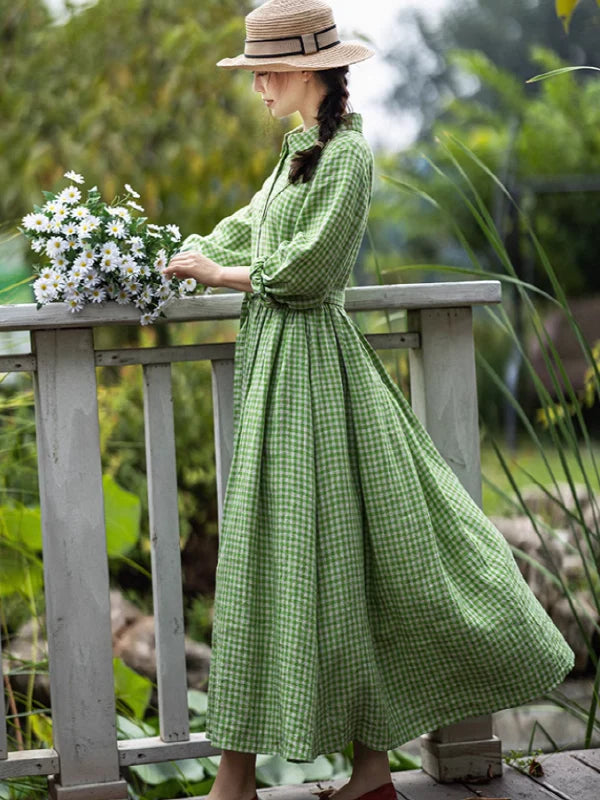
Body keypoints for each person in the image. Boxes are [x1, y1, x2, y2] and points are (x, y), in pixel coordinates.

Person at [162, 1, 575, 799]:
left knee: (328, 556)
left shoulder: (347, 156)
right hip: (280, 373)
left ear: (310, 68)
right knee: (285, 557)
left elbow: (310, 271)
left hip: (317, 373)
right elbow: (248, 228)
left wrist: (220, 277)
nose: (259, 89)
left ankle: (287, 776)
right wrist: (188, 253)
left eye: (267, 72)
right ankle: (332, 774)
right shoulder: (296, 154)